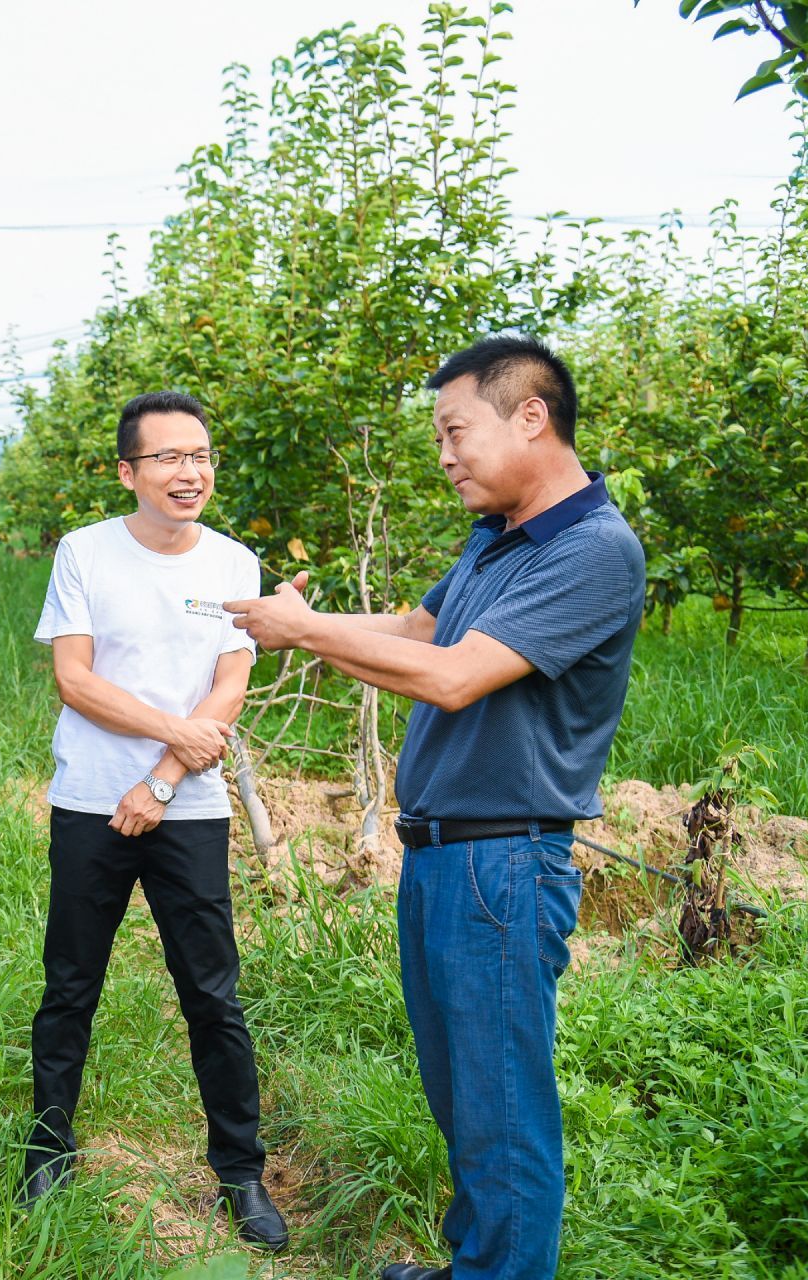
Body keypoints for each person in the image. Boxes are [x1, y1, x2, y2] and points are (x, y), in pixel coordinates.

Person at [225, 334, 645, 1280]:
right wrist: (287, 631)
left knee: (504, 1110)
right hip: (446, 858)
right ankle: (473, 1265)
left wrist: (310, 630)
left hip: (505, 861)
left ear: (530, 416)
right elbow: (421, 629)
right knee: (464, 1096)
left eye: (457, 432)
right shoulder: (499, 537)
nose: (446, 456)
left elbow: (452, 677)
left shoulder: (592, 551)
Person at [19, 391, 288, 1251]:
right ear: (128, 472)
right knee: (72, 982)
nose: (191, 472)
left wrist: (166, 779)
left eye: (201, 455)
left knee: (212, 990)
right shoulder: (84, 553)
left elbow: (231, 686)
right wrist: (175, 735)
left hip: (190, 808)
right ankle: (49, 1146)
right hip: (92, 800)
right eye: (169, 457)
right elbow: (77, 680)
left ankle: (240, 1171)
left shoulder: (232, 563)